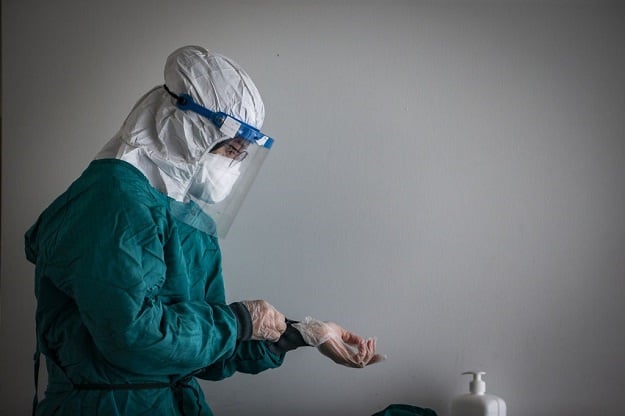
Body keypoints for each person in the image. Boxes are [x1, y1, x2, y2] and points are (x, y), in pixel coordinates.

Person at [25, 45, 384, 416]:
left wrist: (302, 333)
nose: (235, 165)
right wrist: (241, 321)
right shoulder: (112, 202)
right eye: (231, 149)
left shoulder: (188, 220)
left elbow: (200, 350)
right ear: (187, 130)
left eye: (243, 154)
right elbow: (133, 337)